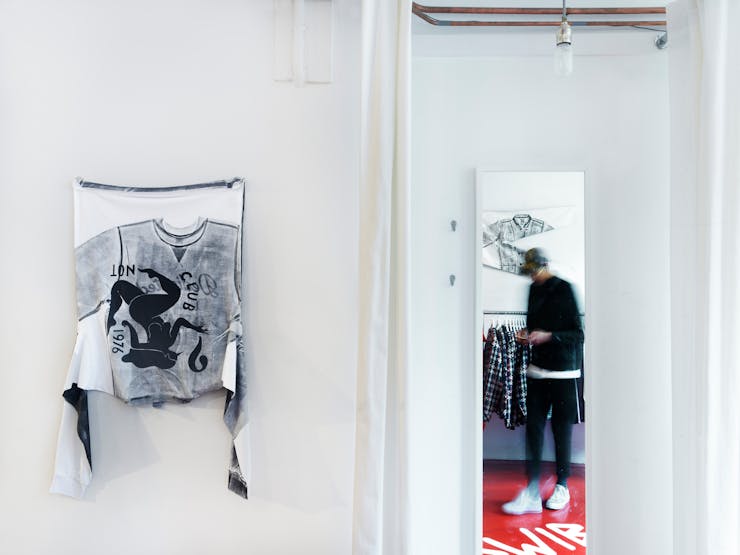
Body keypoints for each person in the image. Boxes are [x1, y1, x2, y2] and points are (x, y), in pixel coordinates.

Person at [502, 248, 584, 515]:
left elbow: (577, 334)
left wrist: (548, 336)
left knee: (561, 431)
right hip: (537, 370)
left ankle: (562, 485)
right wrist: (527, 335)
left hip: (563, 373)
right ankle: (532, 491)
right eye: (529, 273)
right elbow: (533, 325)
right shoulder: (532, 290)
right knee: (533, 430)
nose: (533, 277)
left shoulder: (564, 289)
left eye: (535, 271)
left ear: (545, 266)